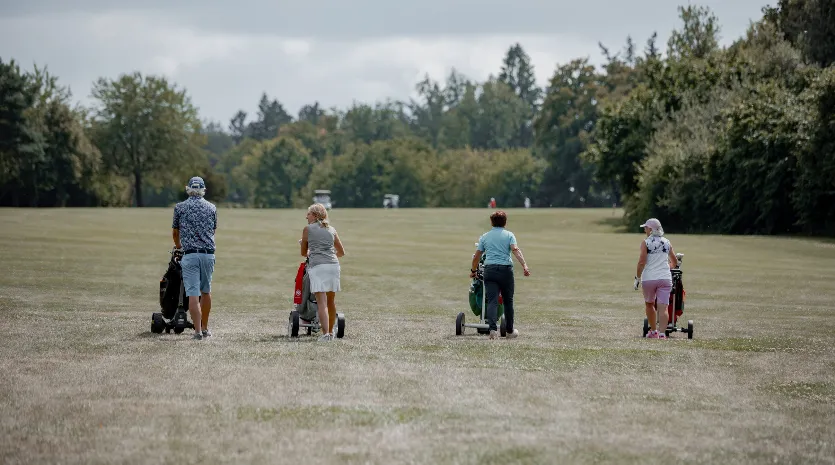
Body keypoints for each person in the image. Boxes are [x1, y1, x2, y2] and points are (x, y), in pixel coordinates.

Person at [470, 210, 530, 340]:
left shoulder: (485, 237)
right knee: (508, 301)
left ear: (491, 222)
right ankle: (509, 331)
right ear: (505, 222)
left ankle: (492, 330)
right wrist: (524, 265)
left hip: (490, 270)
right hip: (505, 271)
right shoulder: (509, 235)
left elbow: (477, 256)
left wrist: (473, 271)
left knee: (492, 300)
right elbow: (515, 250)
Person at [172, 176, 218, 340]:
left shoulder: (180, 207)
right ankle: (205, 328)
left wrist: (179, 246)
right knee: (206, 291)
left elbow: (175, 232)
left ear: (189, 189)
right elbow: (213, 230)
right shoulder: (212, 207)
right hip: (208, 254)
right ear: (203, 190)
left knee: (193, 293)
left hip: (190, 254)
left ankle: (197, 332)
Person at [300, 203, 346, 341]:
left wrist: (307, 248)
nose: (306, 217)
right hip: (333, 266)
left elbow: (304, 253)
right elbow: (341, 252)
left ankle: (325, 334)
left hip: (318, 267)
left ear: (315, 215)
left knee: (322, 302)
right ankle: (330, 333)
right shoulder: (331, 229)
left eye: (308, 214)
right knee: (331, 301)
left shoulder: (307, 229)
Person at [634, 218, 678, 339]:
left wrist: (637, 278)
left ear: (651, 229)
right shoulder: (667, 242)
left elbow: (641, 262)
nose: (644, 230)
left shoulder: (646, 243)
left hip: (649, 278)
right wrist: (666, 268)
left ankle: (654, 332)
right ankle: (662, 334)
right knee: (663, 307)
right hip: (665, 278)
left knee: (649, 304)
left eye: (646, 228)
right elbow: (674, 262)